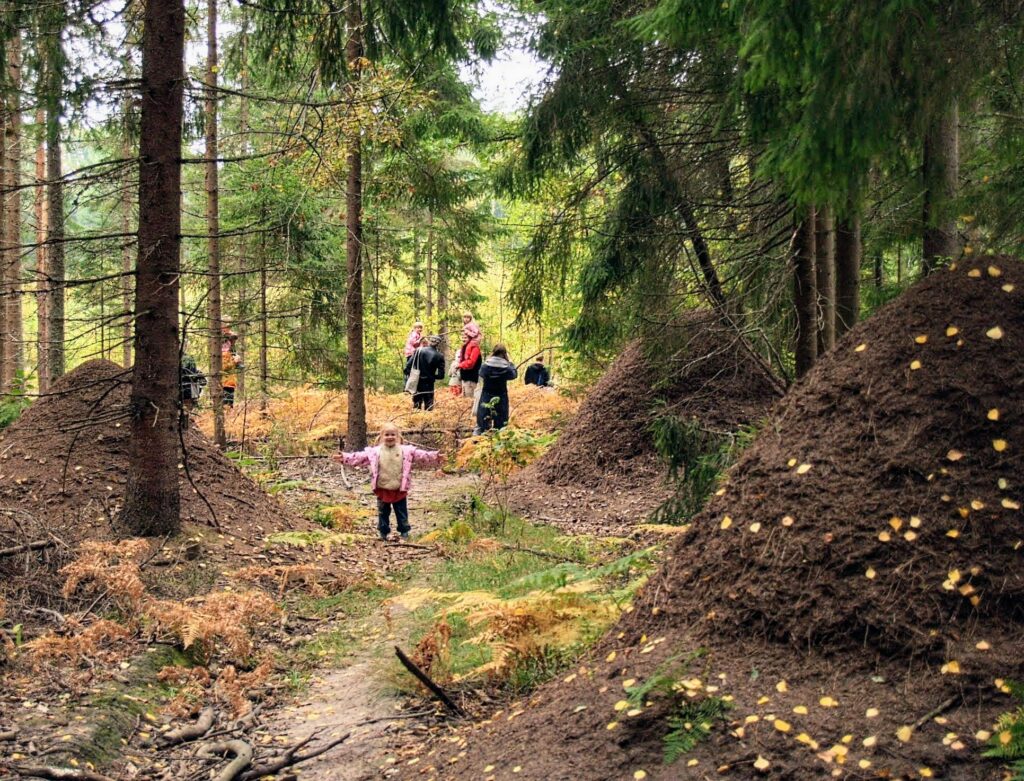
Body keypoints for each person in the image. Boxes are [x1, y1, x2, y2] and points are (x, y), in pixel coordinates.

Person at [332, 422, 442, 541]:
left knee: (401, 512)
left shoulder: (406, 451)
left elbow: (422, 455)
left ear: (398, 436)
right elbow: (359, 457)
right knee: (383, 513)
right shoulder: (375, 452)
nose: (390, 437)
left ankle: (404, 531)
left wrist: (435, 456)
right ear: (381, 437)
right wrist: (344, 457)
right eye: (387, 434)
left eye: (393, 434)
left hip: (399, 488)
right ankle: (383, 532)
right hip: (382, 488)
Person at [475, 344, 517, 434]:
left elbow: (481, 374)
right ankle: (498, 440)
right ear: (504, 354)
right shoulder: (507, 367)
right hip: (501, 395)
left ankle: (480, 440)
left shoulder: (485, 365)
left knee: (483, 420)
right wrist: (512, 364)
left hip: (486, 394)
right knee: (501, 422)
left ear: (493, 352)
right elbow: (514, 375)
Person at [405, 335, 446, 410]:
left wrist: (409, 374)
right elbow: (441, 376)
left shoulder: (419, 350)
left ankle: (416, 419)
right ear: (438, 344)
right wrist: (432, 376)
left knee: (416, 405)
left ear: (430, 341)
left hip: (417, 381)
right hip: (429, 383)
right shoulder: (440, 356)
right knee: (429, 406)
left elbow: (408, 366)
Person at [180, 339, 207, 414]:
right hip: (187, 392)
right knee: (187, 413)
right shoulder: (189, 359)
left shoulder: (172, 358)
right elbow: (192, 375)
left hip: (178, 392)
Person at [456, 332, 482, 397]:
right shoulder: (465, 347)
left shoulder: (474, 348)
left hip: (470, 379)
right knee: (465, 399)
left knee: (469, 399)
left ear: (470, 338)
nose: (463, 339)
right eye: (462, 337)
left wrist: (460, 365)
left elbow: (471, 363)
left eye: (465, 338)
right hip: (465, 378)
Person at [221, 331, 243, 408]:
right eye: (233, 340)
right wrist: (235, 361)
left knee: (229, 406)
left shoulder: (231, 351)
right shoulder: (224, 352)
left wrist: (237, 362)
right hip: (225, 383)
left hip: (230, 383)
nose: (234, 343)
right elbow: (224, 367)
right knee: (226, 406)